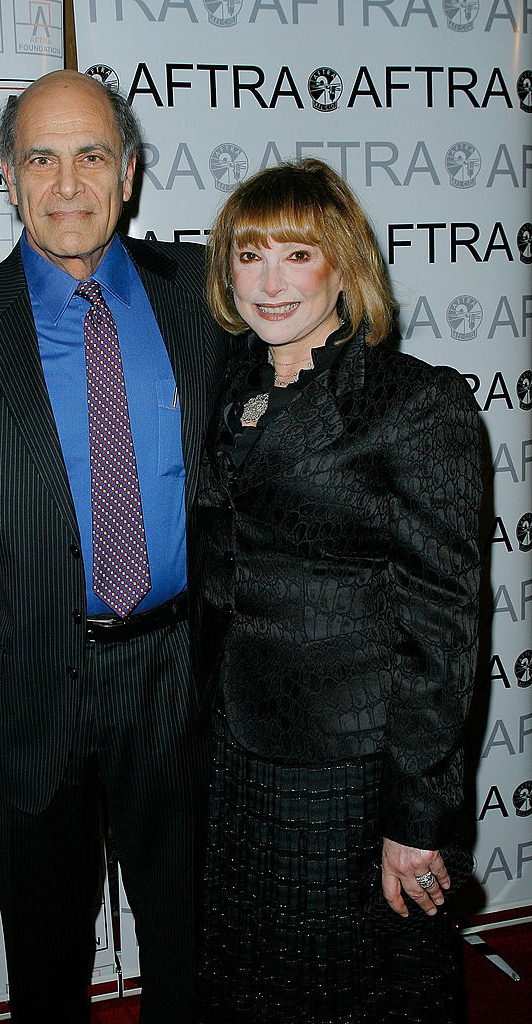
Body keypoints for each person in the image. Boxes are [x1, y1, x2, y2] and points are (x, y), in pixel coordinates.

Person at [0, 70, 231, 1024]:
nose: (68, 182)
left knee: (191, 954)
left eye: (92, 155)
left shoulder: (201, 301)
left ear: (128, 173)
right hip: (29, 686)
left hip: (176, 676)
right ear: (8, 177)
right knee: (46, 970)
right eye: (41, 157)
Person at [192, 159, 481, 1023]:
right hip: (235, 746)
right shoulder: (231, 386)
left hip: (347, 765)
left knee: (350, 992)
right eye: (250, 255)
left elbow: (444, 626)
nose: (270, 281)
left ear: (343, 264)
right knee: (257, 983)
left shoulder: (415, 402)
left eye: (298, 254)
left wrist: (417, 815)